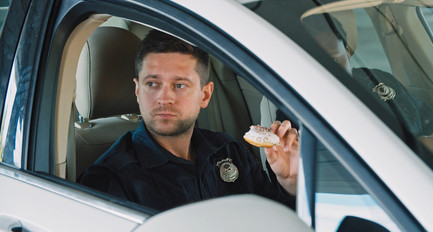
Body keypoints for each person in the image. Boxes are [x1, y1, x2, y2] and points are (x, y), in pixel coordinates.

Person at [79, 30, 299, 211]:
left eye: (180, 85)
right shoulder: (109, 180)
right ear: (138, 91)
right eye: (152, 84)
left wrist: (290, 182)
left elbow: (274, 219)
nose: (164, 98)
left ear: (205, 95)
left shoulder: (230, 150)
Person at [294, 14, 433, 166]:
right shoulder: (294, 109)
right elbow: (330, 169)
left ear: (348, 54)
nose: (328, 71)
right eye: (316, 63)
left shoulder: (378, 78)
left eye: (335, 59)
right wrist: (416, 151)